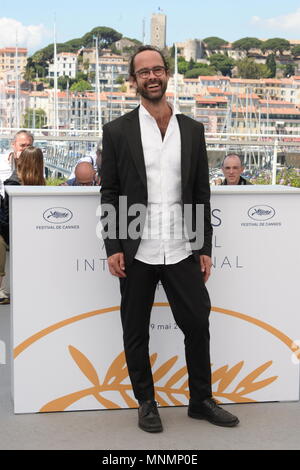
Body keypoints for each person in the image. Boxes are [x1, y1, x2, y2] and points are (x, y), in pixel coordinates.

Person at [100, 45, 239, 432]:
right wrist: (113, 246)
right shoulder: (117, 131)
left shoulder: (192, 130)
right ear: (134, 81)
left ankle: (201, 400)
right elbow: (109, 191)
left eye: (157, 69)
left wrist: (204, 247)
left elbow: (200, 193)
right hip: (136, 247)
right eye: (143, 72)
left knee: (197, 323)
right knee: (135, 330)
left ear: (166, 74)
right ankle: (146, 402)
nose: (152, 77)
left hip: (181, 247)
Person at [0, 146, 45, 304]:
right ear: (37, 163)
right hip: (16, 232)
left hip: (25, 231)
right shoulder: (13, 184)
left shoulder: (18, 183)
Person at [0, 130, 34, 195]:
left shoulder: (35, 163)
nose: (25, 149)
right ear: (13, 145)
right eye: (22, 145)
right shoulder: (1, 162)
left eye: (29, 146)